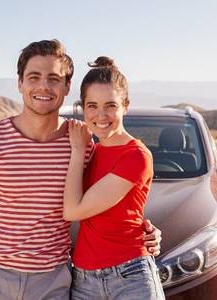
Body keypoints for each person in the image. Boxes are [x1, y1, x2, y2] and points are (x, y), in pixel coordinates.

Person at [0, 39, 162, 300]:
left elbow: (114, 200)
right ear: (20, 84)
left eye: (53, 78)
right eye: (33, 77)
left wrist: (145, 230)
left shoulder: (82, 145)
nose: (43, 86)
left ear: (66, 87)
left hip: (53, 282)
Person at [63, 56, 165, 300]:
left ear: (125, 106)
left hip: (130, 276)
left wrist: (77, 150)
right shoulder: (94, 152)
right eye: (92, 106)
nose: (101, 115)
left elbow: (73, 211)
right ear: (83, 107)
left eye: (110, 105)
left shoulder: (136, 156)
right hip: (84, 278)